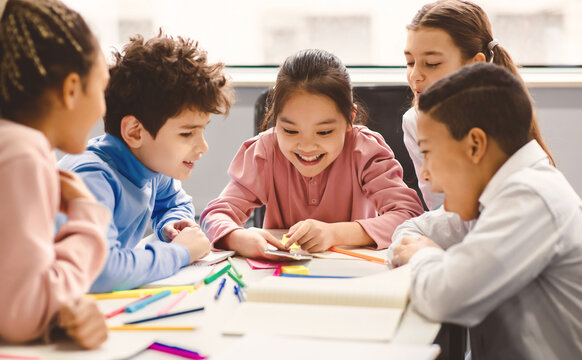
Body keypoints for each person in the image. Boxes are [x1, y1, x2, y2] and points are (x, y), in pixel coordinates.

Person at [389, 63, 582, 359]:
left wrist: (425, 256)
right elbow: (411, 231)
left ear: (475, 145)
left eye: (427, 152)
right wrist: (432, 257)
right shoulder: (493, 199)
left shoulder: (529, 197)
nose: (425, 174)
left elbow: (445, 297)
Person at [200, 49, 424, 259]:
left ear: (349, 119)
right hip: (281, 277)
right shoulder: (265, 151)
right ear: (274, 118)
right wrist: (238, 237)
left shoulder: (365, 151)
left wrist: (335, 233)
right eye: (290, 130)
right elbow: (215, 215)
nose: (307, 147)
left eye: (324, 132)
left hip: (352, 275)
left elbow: (409, 215)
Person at [58, 32, 234, 292]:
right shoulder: (91, 179)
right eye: (187, 133)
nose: (203, 147)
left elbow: (175, 202)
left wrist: (171, 225)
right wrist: (180, 252)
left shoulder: (151, 166)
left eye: (202, 130)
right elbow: (102, 270)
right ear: (135, 132)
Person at [0, 0, 110, 349]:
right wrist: (88, 219)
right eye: (103, 89)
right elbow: (22, 316)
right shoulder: (23, 151)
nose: (104, 108)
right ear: (72, 88)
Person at [402, 0, 554, 209]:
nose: (415, 76)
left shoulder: (505, 114)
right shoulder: (414, 120)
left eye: (432, 63)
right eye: (410, 62)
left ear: (475, 65)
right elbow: (441, 209)